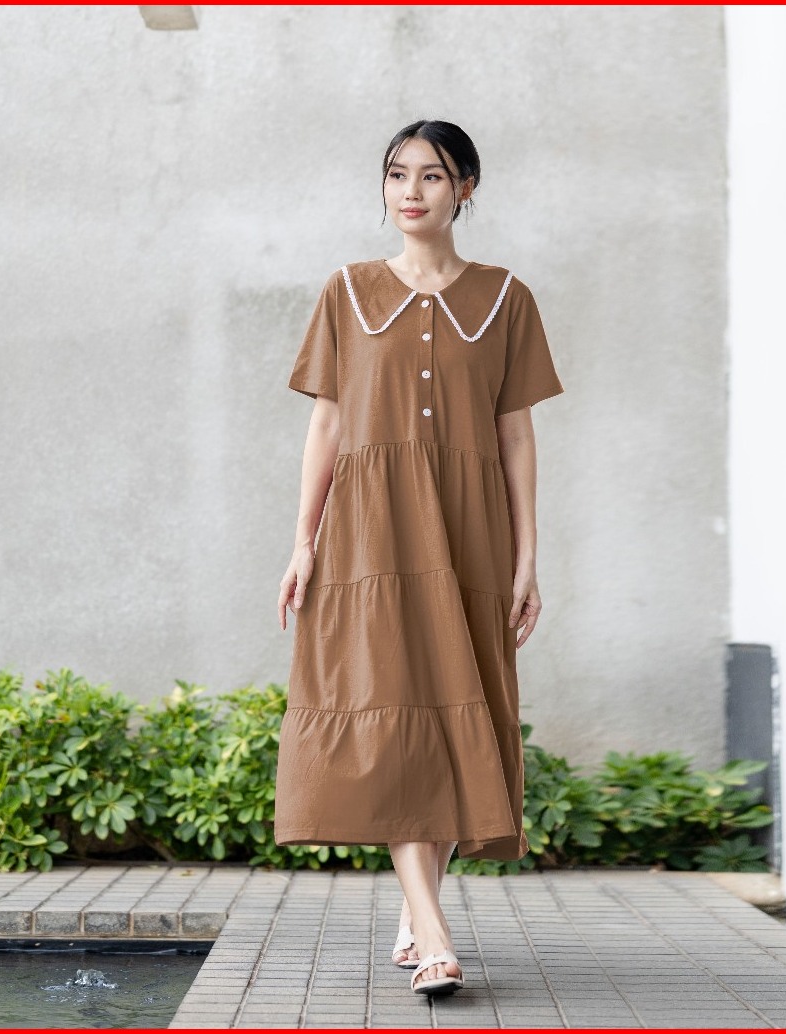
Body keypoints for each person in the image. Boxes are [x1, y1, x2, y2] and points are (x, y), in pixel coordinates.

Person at [275, 119, 565, 996]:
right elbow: (327, 423)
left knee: (451, 710)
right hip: (372, 532)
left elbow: (516, 435)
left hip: (471, 529)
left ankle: (417, 907)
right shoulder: (347, 290)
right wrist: (303, 541)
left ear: (465, 187)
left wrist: (527, 557)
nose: (411, 191)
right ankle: (433, 931)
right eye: (397, 174)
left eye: (432, 176)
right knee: (397, 708)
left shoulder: (507, 297)